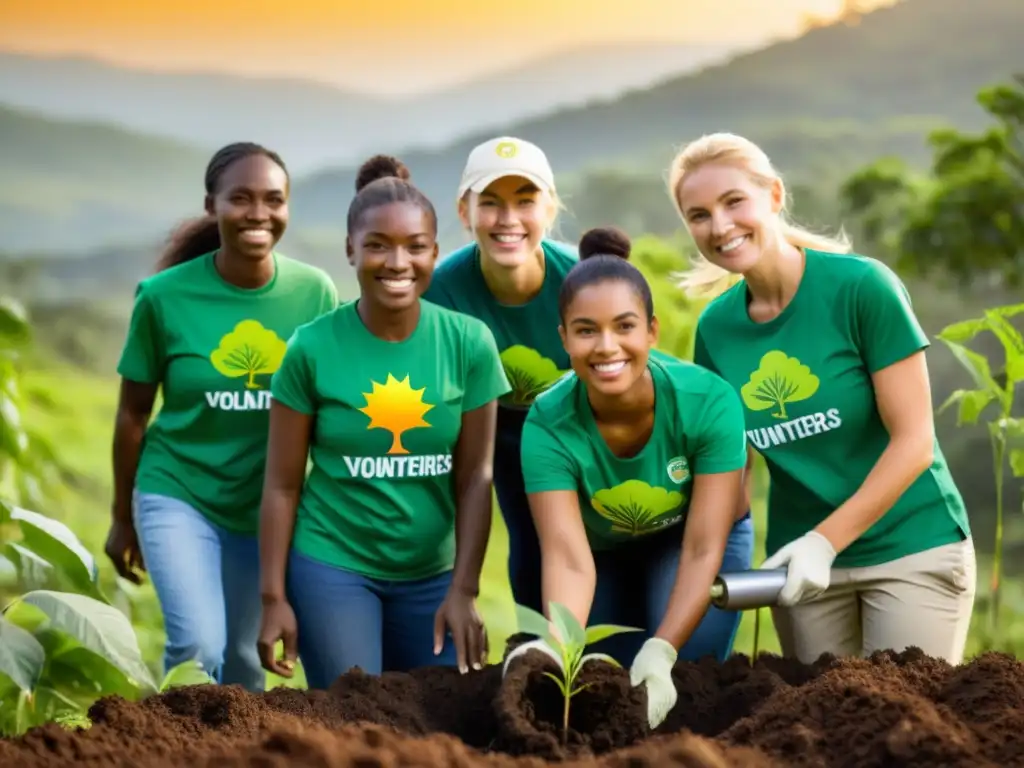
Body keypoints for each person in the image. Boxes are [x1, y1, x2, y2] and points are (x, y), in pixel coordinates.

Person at [668, 131, 975, 666]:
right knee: (820, 727)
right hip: (802, 568)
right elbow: (728, 476)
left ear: (775, 195)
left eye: (734, 201)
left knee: (908, 723)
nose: (719, 226)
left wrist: (826, 541)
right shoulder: (716, 330)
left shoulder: (862, 289)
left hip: (911, 548)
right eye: (698, 215)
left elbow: (915, 443)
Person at [256, 155, 511, 689]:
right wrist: (274, 597)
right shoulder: (312, 347)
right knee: (355, 712)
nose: (398, 262)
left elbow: (475, 479)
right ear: (351, 249)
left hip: (433, 575)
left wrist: (463, 590)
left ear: (435, 253)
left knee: (442, 718)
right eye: (378, 245)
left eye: (415, 247)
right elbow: (282, 485)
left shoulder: (468, 344)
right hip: (333, 565)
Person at [107, 141, 339, 692]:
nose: (259, 213)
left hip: (263, 510)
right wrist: (122, 516)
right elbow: (133, 413)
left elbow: (331, 409)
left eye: (274, 199)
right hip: (178, 492)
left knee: (243, 660)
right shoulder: (163, 298)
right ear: (212, 205)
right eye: (241, 198)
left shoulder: (314, 294)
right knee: (197, 646)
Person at [503, 226, 750, 730]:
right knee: (603, 681)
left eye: (624, 326)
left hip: (693, 539)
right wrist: (559, 644)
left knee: (686, 674)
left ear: (652, 332)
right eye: (587, 330)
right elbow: (569, 559)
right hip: (601, 551)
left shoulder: (708, 401)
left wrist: (662, 649)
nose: (606, 346)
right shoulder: (548, 421)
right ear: (564, 338)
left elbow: (705, 544)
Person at [421, 136, 578, 616]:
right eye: (490, 203)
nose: (508, 220)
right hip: (496, 440)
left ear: (550, 208)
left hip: (579, 436)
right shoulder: (441, 293)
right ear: (464, 212)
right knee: (531, 556)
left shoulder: (582, 278)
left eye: (525, 202)